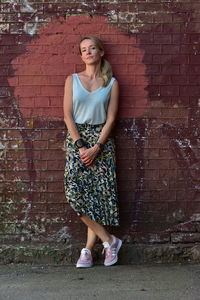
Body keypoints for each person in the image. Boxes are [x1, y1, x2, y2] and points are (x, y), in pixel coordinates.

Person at [63, 36, 122, 268]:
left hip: (102, 143)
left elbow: (112, 118)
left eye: (92, 49)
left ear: (101, 52)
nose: (87, 53)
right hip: (76, 140)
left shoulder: (111, 83)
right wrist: (80, 146)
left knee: (96, 197)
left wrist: (97, 146)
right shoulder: (72, 80)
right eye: (83, 50)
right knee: (75, 195)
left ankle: (87, 250)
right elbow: (67, 115)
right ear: (81, 55)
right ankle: (109, 240)